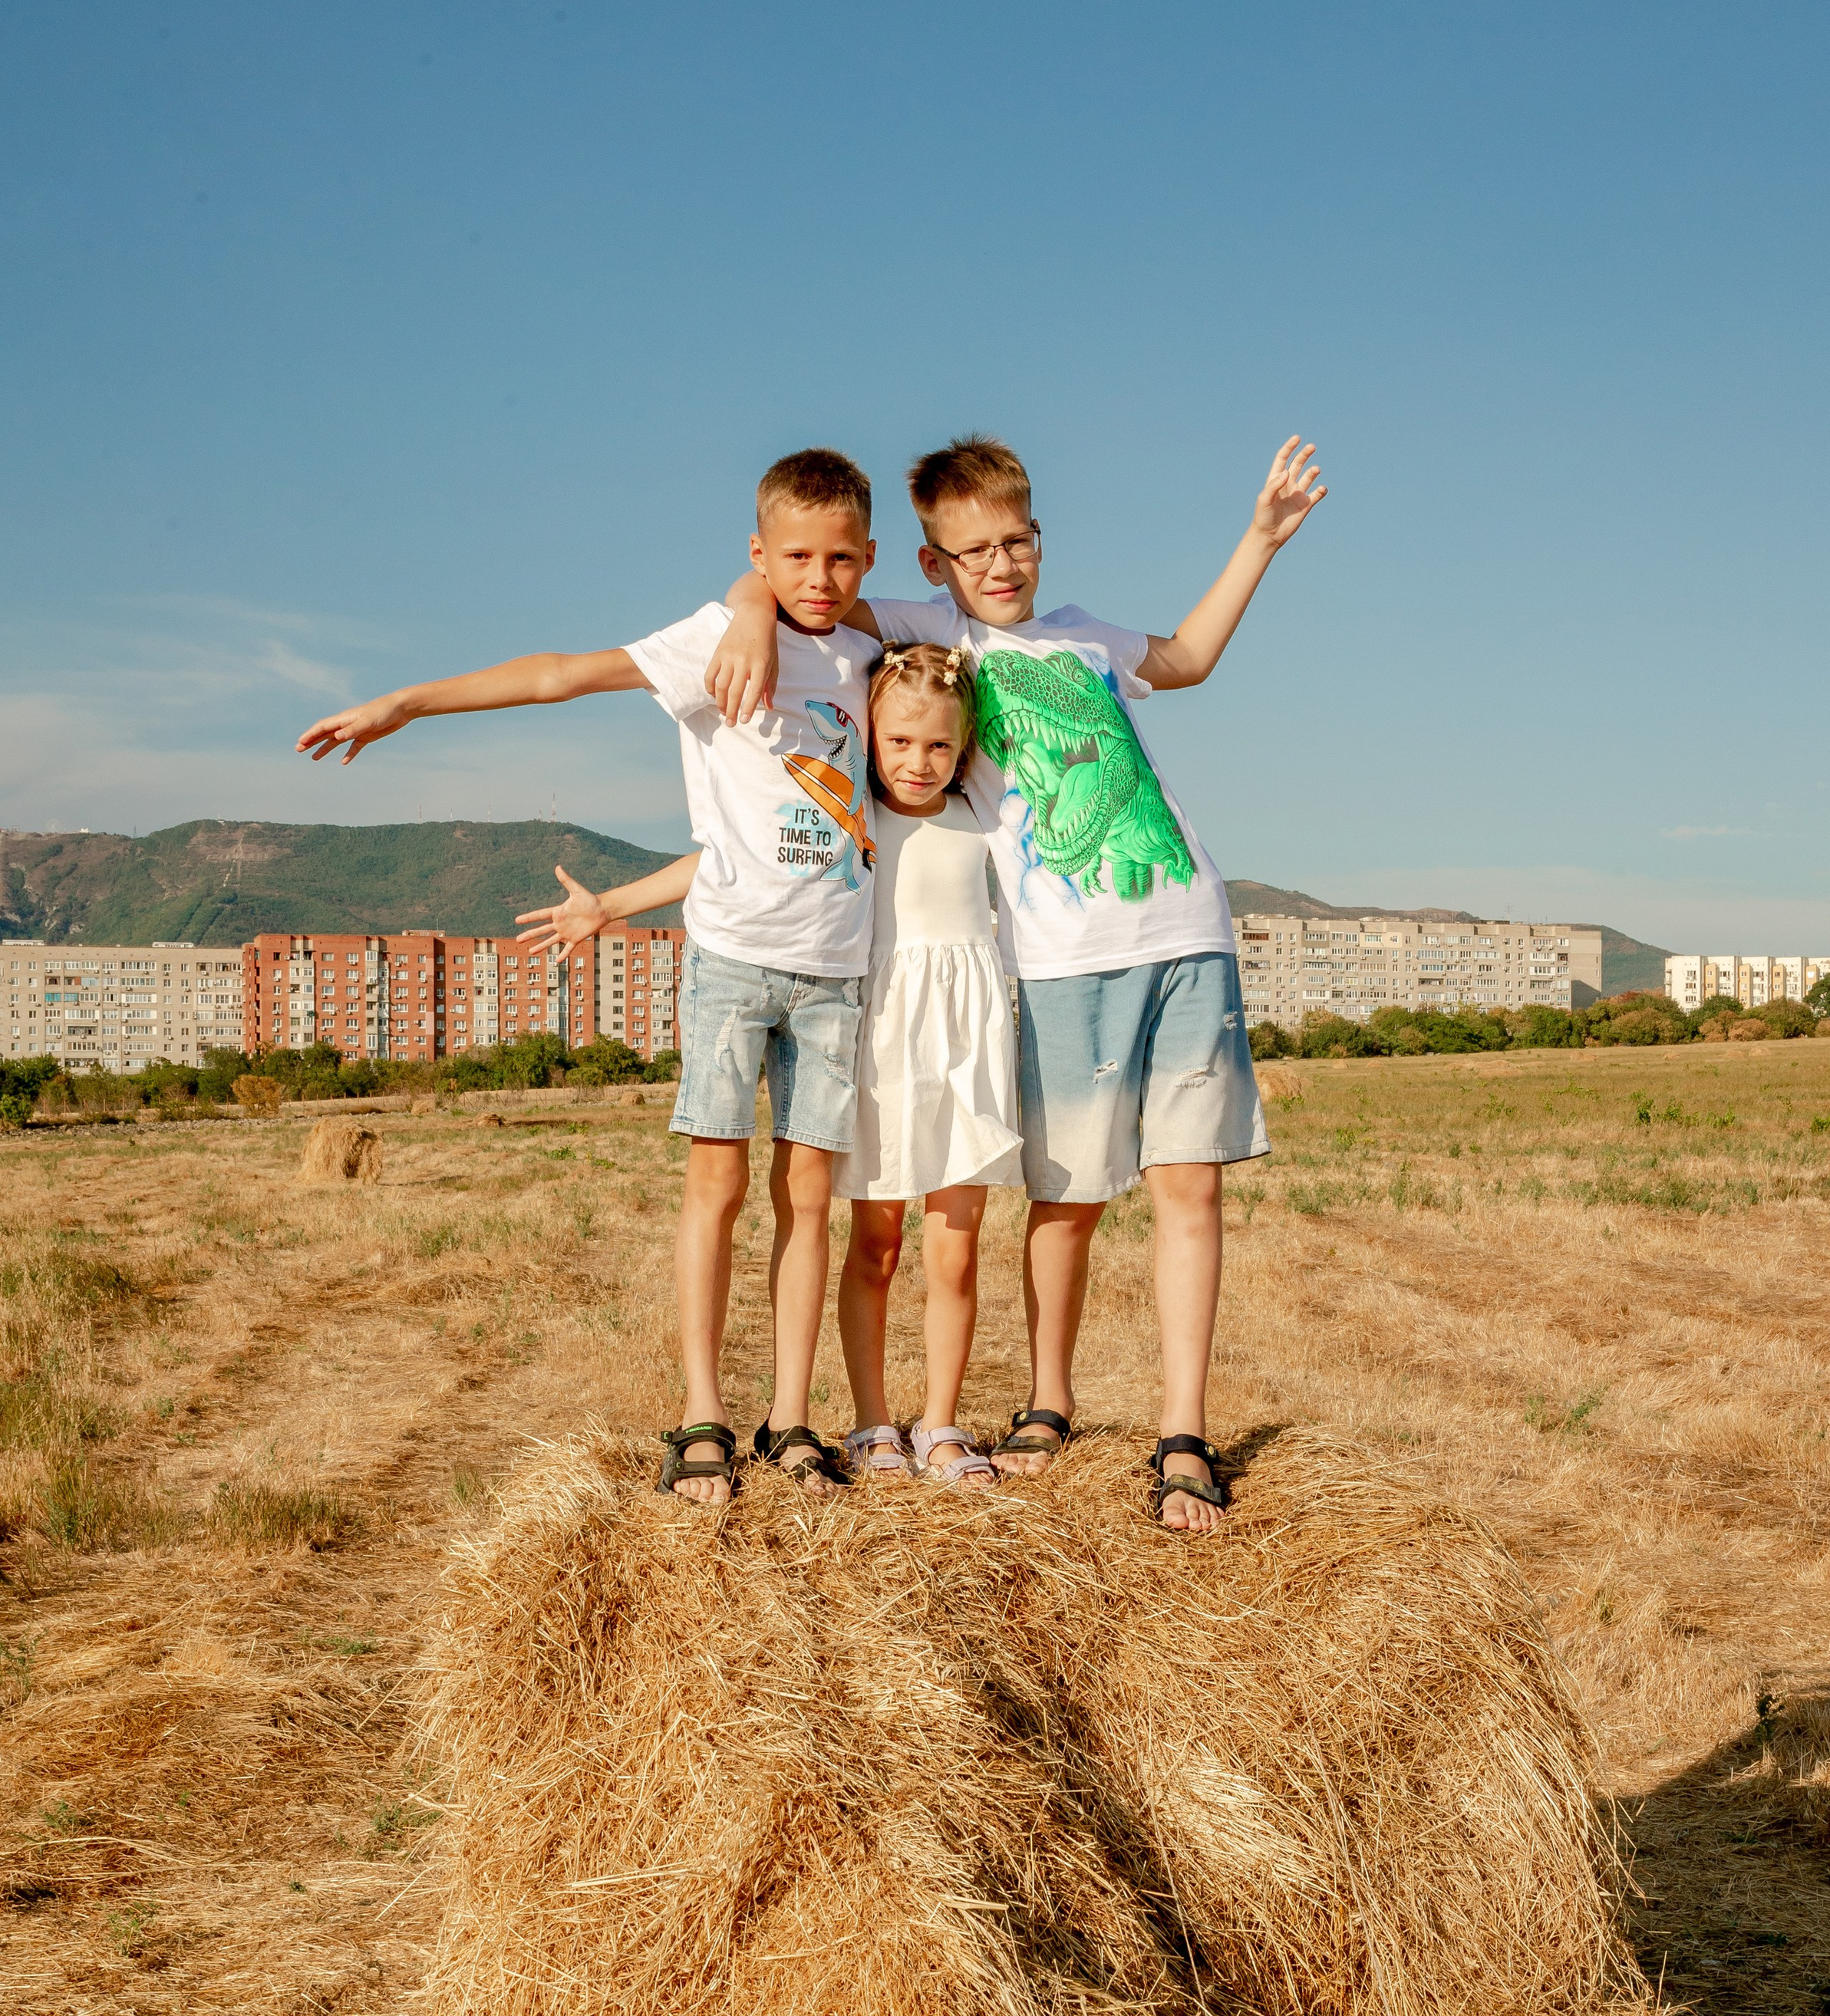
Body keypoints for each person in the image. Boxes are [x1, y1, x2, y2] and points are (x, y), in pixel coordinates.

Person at [708, 433, 1326, 1533]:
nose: (1003, 564)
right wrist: (752, 611)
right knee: (1067, 1200)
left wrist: (1261, 539)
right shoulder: (932, 631)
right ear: (936, 566)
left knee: (1193, 1187)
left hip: (1189, 927)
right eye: (976, 549)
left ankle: (1183, 1433)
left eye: (1019, 541)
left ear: (1041, 539)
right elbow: (799, 575)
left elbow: (1186, 658)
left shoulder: (1083, 632)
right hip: (1061, 957)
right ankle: (1048, 1403)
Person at [295, 446, 882, 1507]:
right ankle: (703, 1412)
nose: (819, 577)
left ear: (869, 559)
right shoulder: (715, 637)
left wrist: (766, 602)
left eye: (841, 558)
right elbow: (562, 672)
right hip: (733, 967)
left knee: (811, 1203)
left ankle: (793, 1418)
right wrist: (411, 703)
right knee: (718, 1188)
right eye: (793, 557)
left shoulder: (867, 650)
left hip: (838, 971)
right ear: (758, 553)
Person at [833, 641, 1021, 1491]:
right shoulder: (855, 819)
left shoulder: (984, 819)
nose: (919, 761)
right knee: (875, 1241)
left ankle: (940, 1427)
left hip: (967, 1042)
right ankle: (872, 1424)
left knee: (957, 1248)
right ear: (870, 734)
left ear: (964, 746)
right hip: (883, 1039)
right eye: (900, 742)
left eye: (939, 745)